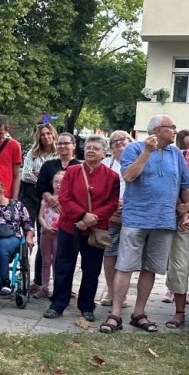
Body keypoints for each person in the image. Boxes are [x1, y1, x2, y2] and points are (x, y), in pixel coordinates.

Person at [100, 115, 189, 334]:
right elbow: (129, 176)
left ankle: (139, 313)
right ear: (158, 130)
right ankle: (115, 314)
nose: (175, 131)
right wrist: (147, 152)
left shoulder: (176, 155)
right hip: (136, 219)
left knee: (150, 268)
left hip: (164, 220)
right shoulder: (134, 149)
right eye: (171, 128)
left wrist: (188, 212)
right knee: (125, 266)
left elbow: (185, 184)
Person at [43, 136, 119, 321]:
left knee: (91, 269)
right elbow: (65, 198)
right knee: (63, 267)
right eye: (88, 147)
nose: (91, 150)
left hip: (95, 229)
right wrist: (82, 215)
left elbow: (112, 202)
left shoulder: (112, 176)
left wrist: (92, 219)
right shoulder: (72, 171)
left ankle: (87, 306)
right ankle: (58, 304)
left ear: (104, 153)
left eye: (96, 148)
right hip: (70, 226)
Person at [33, 132, 81, 291]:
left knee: (66, 253)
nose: (62, 146)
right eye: (59, 143)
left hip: (67, 214)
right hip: (47, 211)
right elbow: (40, 186)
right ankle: (41, 283)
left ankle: (64, 286)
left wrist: (62, 200)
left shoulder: (78, 167)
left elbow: (80, 192)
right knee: (44, 251)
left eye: (66, 143)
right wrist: (50, 198)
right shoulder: (49, 165)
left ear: (73, 146)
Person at [166, 117, 189, 328]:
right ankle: (179, 312)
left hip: (188, 209)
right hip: (182, 217)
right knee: (179, 264)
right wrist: (183, 209)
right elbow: (172, 183)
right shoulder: (183, 155)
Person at [100, 130, 133, 307]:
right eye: (115, 142)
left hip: (132, 212)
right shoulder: (106, 163)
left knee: (127, 255)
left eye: (123, 140)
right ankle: (111, 292)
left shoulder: (138, 160)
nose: (119, 143)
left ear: (130, 141)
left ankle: (123, 295)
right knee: (109, 253)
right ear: (110, 147)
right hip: (110, 214)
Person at [21, 123, 58, 222]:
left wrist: (40, 174)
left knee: (46, 226)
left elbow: (61, 177)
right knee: (28, 225)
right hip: (31, 195)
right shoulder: (32, 153)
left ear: (53, 134)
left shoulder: (58, 154)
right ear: (39, 137)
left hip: (50, 195)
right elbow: (25, 175)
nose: (46, 137)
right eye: (42, 134)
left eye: (48, 133)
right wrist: (47, 178)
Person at [35, 170, 64, 299]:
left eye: (61, 182)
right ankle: (44, 287)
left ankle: (57, 288)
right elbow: (41, 216)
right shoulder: (46, 199)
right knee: (46, 260)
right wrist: (45, 227)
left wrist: (58, 228)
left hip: (59, 233)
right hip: (45, 232)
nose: (58, 185)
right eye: (56, 182)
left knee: (57, 262)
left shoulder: (65, 200)